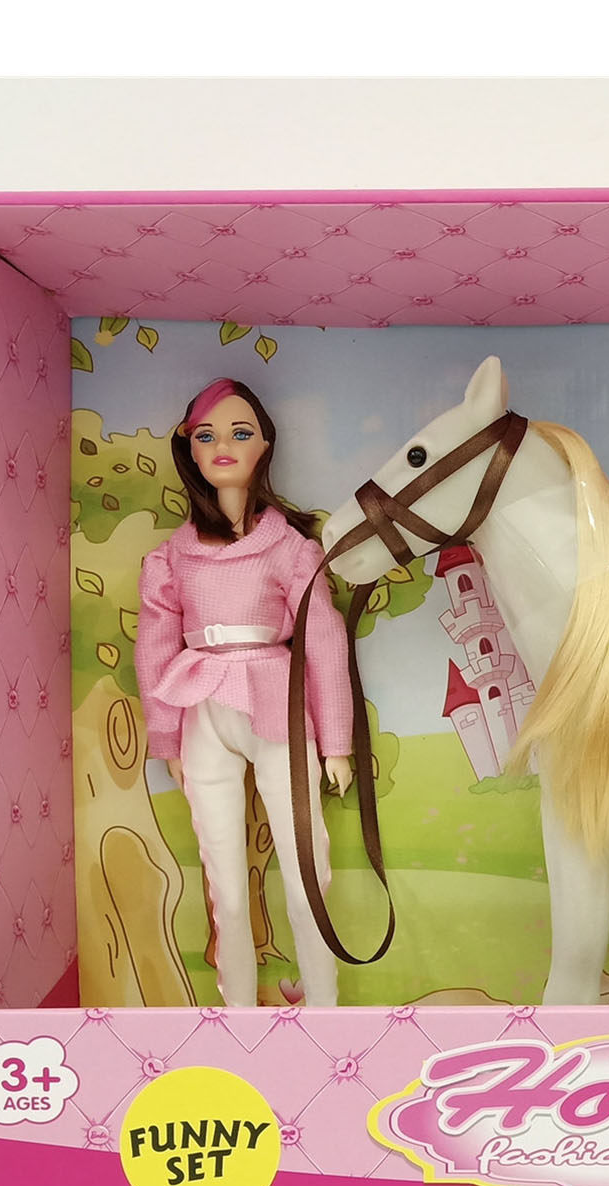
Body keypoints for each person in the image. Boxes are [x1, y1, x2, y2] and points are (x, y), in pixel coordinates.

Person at [135, 378, 353, 1006]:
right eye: (206, 436)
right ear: (190, 450)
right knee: (224, 880)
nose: (222, 446)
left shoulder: (289, 549)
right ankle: (238, 1010)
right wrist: (166, 739)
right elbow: (154, 650)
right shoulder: (173, 557)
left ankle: (323, 1003)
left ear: (264, 444)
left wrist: (335, 743)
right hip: (202, 707)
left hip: (275, 704)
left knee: (307, 867)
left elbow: (323, 643)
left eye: (239, 433)